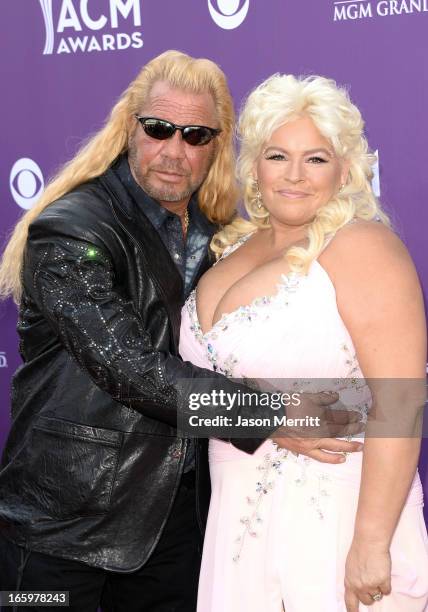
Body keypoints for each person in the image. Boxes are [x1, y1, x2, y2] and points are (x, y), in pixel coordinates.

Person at [0, 52, 358, 612]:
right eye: (159, 129)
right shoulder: (71, 230)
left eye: (195, 135)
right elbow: (131, 366)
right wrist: (267, 415)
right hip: (64, 528)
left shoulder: (221, 238)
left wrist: (377, 402)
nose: (174, 150)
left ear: (216, 145)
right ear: (129, 127)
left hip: (177, 525)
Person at [179, 74, 428, 611]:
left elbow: (400, 402)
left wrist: (370, 544)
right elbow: (182, 400)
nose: (294, 175)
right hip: (234, 529)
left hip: (335, 522)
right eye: (277, 155)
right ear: (254, 165)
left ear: (344, 170)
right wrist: (267, 415)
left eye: (315, 159)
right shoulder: (227, 250)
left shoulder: (364, 247)